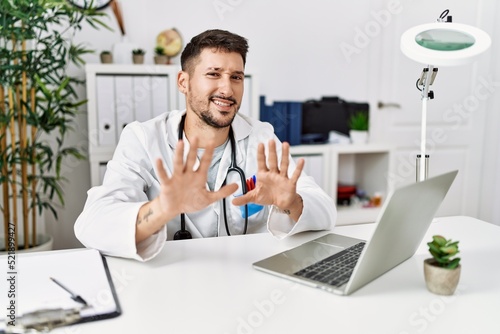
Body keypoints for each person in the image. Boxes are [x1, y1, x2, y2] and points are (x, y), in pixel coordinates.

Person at [74, 29, 336, 261]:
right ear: (183, 82)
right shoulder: (143, 138)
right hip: (173, 287)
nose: (227, 88)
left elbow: (325, 212)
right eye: (213, 74)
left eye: (236, 77)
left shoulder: (261, 136)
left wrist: (291, 202)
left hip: (246, 279)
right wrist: (164, 208)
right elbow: (93, 224)